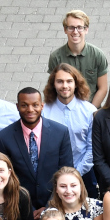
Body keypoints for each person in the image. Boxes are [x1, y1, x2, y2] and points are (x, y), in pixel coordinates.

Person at [0, 87, 75, 213]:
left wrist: (49, 206)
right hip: (20, 207)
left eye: (35, 105)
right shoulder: (5, 137)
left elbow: (66, 171)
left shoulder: (60, 132)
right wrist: (28, 209)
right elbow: (6, 178)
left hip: (56, 204)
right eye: (24, 105)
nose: (30, 110)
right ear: (17, 106)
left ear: (42, 106)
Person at [43, 64, 99, 195]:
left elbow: (92, 148)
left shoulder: (89, 111)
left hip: (85, 173)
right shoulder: (44, 111)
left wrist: (76, 172)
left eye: (69, 81)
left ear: (76, 83)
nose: (65, 86)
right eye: (60, 81)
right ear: (53, 84)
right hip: (52, 176)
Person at [47, 10, 110, 107]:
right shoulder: (56, 57)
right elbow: (53, 88)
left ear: (86, 30)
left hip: (91, 109)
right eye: (71, 27)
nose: (75, 31)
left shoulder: (98, 55)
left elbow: (103, 88)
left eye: (80, 27)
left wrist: (91, 111)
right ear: (65, 30)